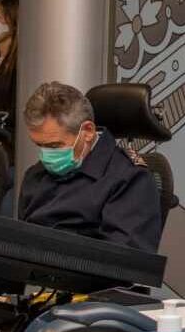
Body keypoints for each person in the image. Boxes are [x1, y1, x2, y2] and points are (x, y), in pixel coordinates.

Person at [18, 82, 162, 252]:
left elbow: (123, 260)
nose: (46, 155)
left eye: (54, 146)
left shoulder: (130, 178)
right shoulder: (36, 175)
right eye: (39, 145)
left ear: (87, 132)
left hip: (85, 275)